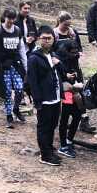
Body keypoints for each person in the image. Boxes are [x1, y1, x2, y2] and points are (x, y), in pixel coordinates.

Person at [27, 25, 62, 166]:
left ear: (54, 39)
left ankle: (49, 150)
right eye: (44, 38)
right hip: (44, 99)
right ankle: (45, 155)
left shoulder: (52, 55)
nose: (47, 41)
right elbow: (32, 82)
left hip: (56, 96)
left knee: (53, 125)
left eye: (50, 38)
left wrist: (59, 64)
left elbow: (61, 73)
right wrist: (37, 101)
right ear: (38, 39)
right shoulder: (34, 58)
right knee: (44, 127)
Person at [0, 8, 27, 128]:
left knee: (20, 87)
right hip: (2, 66)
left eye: (13, 18)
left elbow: (21, 49)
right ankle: (9, 115)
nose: (10, 21)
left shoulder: (17, 30)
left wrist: (26, 66)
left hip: (15, 64)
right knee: (7, 91)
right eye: (9, 18)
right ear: (4, 17)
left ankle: (16, 109)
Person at [53, 12, 84, 159]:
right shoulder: (55, 37)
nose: (76, 53)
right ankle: (63, 144)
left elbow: (79, 51)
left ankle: (70, 140)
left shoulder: (73, 34)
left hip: (75, 80)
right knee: (66, 113)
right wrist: (65, 76)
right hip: (65, 83)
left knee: (78, 111)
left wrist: (78, 78)